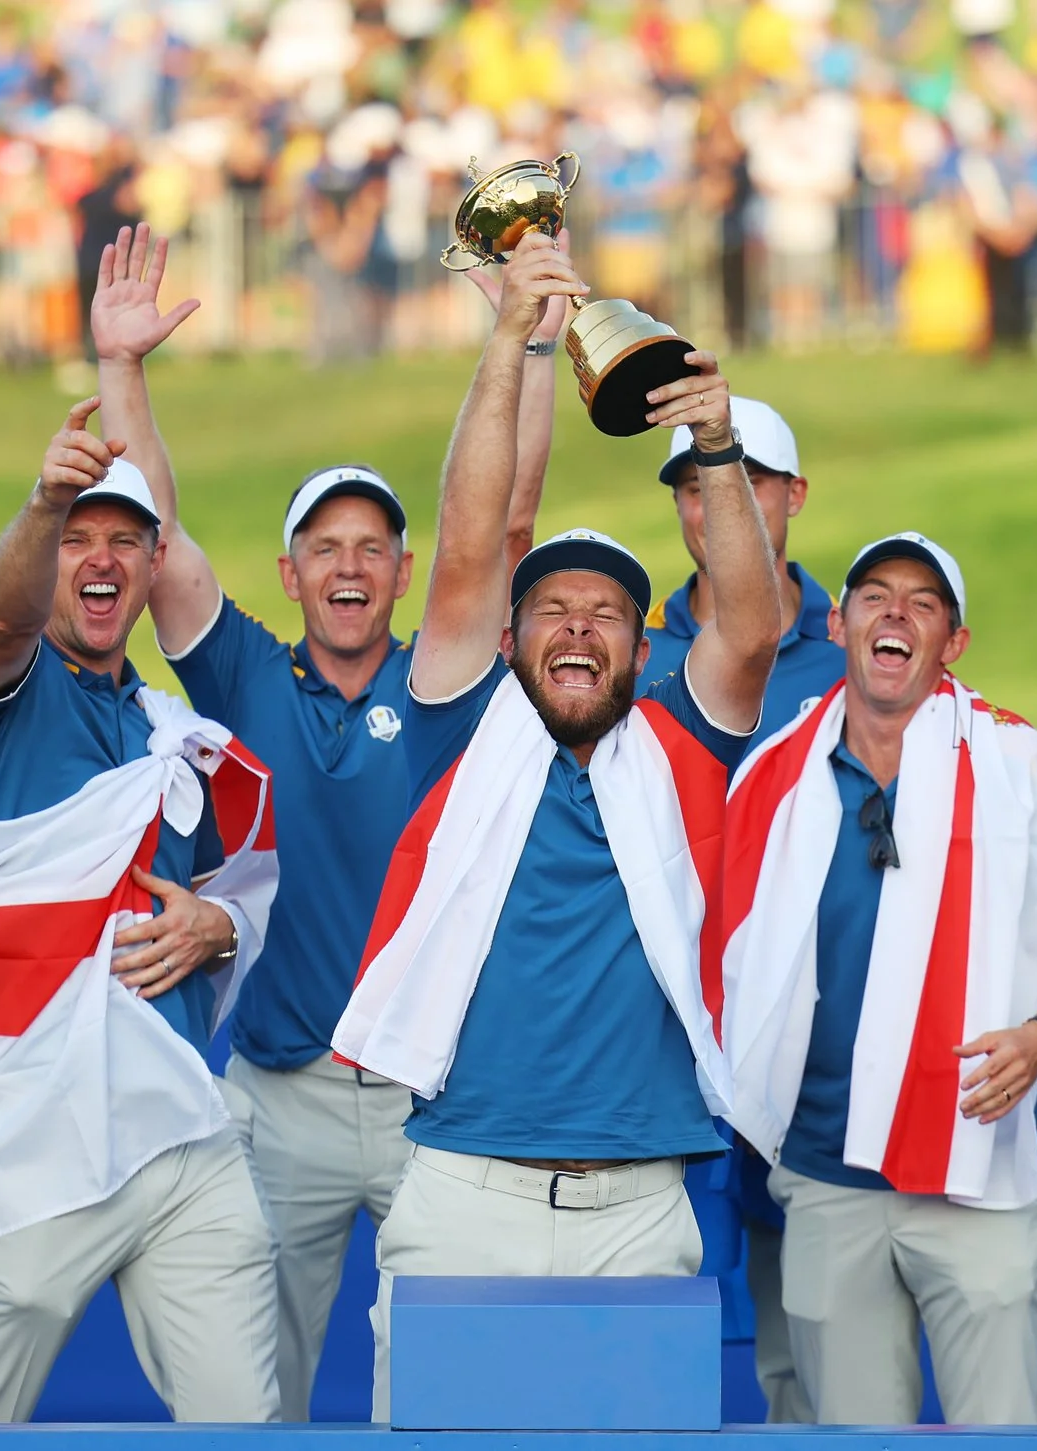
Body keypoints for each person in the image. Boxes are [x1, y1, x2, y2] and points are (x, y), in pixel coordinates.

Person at [94, 219, 555, 1420]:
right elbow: (160, 540)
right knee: (254, 1394)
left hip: (428, 1100)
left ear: (402, 572)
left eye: (371, 548)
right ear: (289, 574)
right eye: (322, 548)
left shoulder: (445, 679)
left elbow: (488, 527)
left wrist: (523, 346)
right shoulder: (245, 674)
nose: (348, 566)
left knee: (442, 1393)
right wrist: (122, 372)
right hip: (277, 1095)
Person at [330, 230, 782, 1421]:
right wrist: (508, 341)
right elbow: (478, 535)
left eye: (606, 614)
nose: (575, 628)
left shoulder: (685, 745)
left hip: (639, 1211)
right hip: (461, 1189)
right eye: (550, 611)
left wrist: (717, 444)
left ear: (644, 646)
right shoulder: (463, 725)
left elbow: (749, 620)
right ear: (508, 636)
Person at [0, 391, 278, 1425]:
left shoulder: (176, 734)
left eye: (124, 539)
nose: (98, 558)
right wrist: (41, 500)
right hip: (28, 1143)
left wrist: (220, 927)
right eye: (75, 539)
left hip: (177, 1141)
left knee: (250, 1429)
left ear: (154, 568)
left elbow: (236, 892)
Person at [720, 533, 1037, 1427]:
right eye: (875, 594)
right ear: (838, 621)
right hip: (825, 1177)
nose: (895, 612)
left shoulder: (1027, 766)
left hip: (976, 1171)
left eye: (923, 601)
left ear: (955, 641)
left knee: (998, 1436)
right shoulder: (773, 777)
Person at [640, 393, 842, 1424]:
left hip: (807, 1037)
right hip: (664, 1036)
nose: (712, 501)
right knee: (661, 1332)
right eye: (691, 485)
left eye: (743, 481)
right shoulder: (628, 650)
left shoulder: (858, 655)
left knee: (803, 1345)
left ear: (794, 495)